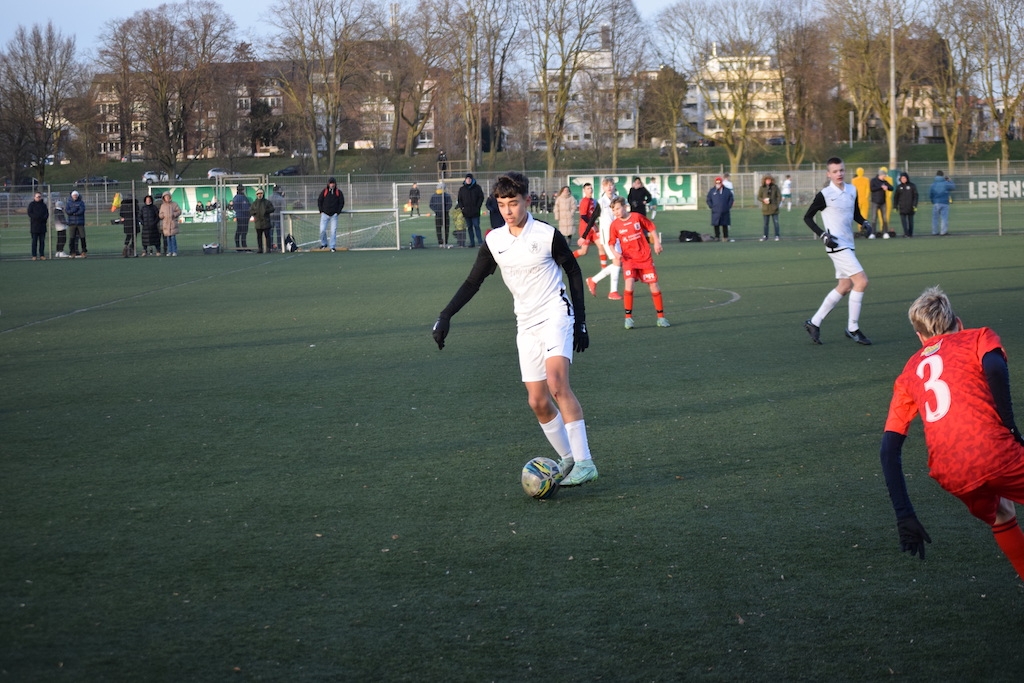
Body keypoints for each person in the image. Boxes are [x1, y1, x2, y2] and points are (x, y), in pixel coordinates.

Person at [431, 171, 598, 487]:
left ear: (527, 201)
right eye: (502, 204)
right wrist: (446, 315)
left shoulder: (546, 235)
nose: (508, 211)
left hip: (555, 313)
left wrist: (581, 322)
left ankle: (585, 463)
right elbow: (473, 282)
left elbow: (574, 272)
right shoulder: (495, 241)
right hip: (526, 323)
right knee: (537, 401)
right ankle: (568, 458)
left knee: (557, 383)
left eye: (514, 203)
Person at [879, 286, 1024, 580]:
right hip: (995, 452)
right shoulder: (978, 336)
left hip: (952, 472)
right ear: (959, 322)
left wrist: (905, 514)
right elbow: (995, 368)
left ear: (920, 337)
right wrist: (1012, 430)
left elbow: (888, 449)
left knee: (1002, 514)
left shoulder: (909, 371)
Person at [802, 157, 873, 345]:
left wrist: (864, 222)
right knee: (862, 281)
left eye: (841, 170)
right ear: (829, 174)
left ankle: (814, 322)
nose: (839, 174)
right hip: (836, 245)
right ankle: (853, 328)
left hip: (849, 244)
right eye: (835, 171)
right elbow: (807, 217)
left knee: (845, 285)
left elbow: (855, 213)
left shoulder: (852, 190)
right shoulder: (824, 195)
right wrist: (823, 235)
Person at [607, 196, 669, 329]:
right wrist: (615, 253)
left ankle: (661, 317)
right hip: (629, 259)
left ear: (625, 207)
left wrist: (657, 243)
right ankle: (628, 319)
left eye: (618, 209)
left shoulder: (636, 217)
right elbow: (611, 243)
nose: (616, 212)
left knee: (654, 285)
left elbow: (651, 227)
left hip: (645, 257)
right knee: (629, 284)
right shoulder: (615, 225)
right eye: (614, 210)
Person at [583, 177, 622, 300]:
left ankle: (593, 280)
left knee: (618, 262)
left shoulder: (618, 199)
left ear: (614, 186)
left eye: (611, 185)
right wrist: (584, 236)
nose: (609, 187)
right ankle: (613, 291)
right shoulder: (601, 202)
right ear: (603, 188)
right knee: (617, 261)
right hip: (607, 236)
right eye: (606, 185)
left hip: (619, 235)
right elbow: (592, 219)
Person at [571, 182, 602, 263]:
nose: (590, 190)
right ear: (584, 191)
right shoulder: (585, 201)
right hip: (585, 229)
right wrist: (591, 225)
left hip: (593, 228)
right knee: (584, 251)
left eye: (591, 188)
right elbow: (583, 216)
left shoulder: (593, 200)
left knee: (601, 246)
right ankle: (569, 258)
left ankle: (604, 267)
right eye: (588, 189)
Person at [457, 173, 486, 248]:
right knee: (469, 227)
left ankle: (480, 242)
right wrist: (462, 208)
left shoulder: (477, 188)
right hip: (466, 212)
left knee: (476, 226)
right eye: (467, 179)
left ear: (472, 179)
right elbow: (459, 199)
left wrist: (478, 206)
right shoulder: (462, 189)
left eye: (470, 179)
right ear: (465, 180)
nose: (468, 180)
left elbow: (481, 197)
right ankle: (472, 243)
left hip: (475, 211)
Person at [317, 177, 345, 252]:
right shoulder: (324, 191)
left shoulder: (338, 192)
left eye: (333, 183)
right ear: (328, 184)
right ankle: (324, 244)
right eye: (331, 183)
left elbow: (341, 202)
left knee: (333, 231)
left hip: (334, 216)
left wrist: (337, 212)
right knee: (322, 230)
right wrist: (321, 211)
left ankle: (332, 246)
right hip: (324, 215)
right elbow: (319, 200)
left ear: (335, 184)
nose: (332, 185)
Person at [706, 176, 734, 242]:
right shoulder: (712, 191)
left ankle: (725, 237)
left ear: (721, 183)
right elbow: (708, 199)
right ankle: (717, 236)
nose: (718, 184)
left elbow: (731, 199)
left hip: (725, 210)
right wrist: (711, 206)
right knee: (716, 224)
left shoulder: (727, 191)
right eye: (717, 183)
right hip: (715, 211)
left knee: (725, 224)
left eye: (719, 183)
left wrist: (728, 206)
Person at [868, 168, 893, 238]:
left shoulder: (885, 182)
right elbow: (872, 189)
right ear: (880, 175)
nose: (885, 177)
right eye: (884, 176)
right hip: (875, 202)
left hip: (883, 203)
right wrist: (881, 187)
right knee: (874, 218)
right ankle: (873, 233)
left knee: (884, 218)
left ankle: (885, 232)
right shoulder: (873, 180)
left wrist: (887, 187)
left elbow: (892, 188)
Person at [929, 170, 955, 236]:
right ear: (943, 175)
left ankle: (934, 232)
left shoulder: (933, 184)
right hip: (944, 203)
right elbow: (953, 187)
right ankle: (943, 232)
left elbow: (930, 194)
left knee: (935, 219)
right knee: (944, 218)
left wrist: (933, 201)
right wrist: (950, 180)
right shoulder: (946, 183)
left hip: (936, 203)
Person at [893, 172, 918, 238]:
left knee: (910, 221)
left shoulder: (912, 186)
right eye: (902, 178)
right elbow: (896, 197)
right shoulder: (899, 187)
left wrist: (915, 205)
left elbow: (915, 196)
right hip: (902, 207)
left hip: (910, 207)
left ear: (907, 178)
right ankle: (906, 233)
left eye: (904, 178)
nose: (903, 179)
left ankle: (910, 233)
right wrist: (895, 206)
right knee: (904, 222)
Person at [757, 174, 782, 241]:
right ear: (764, 181)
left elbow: (779, 196)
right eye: (767, 180)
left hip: (774, 208)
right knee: (765, 224)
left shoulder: (775, 187)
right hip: (765, 208)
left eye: (769, 180)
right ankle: (765, 236)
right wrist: (763, 200)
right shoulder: (762, 188)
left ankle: (777, 236)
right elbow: (759, 197)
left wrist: (777, 204)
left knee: (776, 223)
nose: (768, 181)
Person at [250, 188, 275, 254]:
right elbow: (251, 211)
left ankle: (268, 249)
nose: (259, 195)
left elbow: (272, 209)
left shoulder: (267, 202)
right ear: (256, 195)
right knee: (259, 237)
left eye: (261, 193)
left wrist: (266, 211)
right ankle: (260, 249)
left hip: (266, 222)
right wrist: (254, 213)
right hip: (258, 223)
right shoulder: (254, 203)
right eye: (258, 194)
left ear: (263, 194)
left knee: (267, 236)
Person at [159, 191, 182, 256]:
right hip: (166, 224)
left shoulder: (174, 204)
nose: (167, 198)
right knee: (168, 239)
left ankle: (174, 251)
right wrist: (162, 216)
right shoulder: (163, 206)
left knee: (173, 238)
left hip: (172, 223)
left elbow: (179, 211)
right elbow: (160, 214)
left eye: (168, 196)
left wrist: (174, 214)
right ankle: (169, 251)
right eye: (165, 197)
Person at [65, 189, 87, 258]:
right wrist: (74, 210)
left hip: (80, 222)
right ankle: (72, 252)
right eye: (74, 195)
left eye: (76, 195)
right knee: (72, 238)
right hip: (72, 223)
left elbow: (82, 210)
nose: (75, 196)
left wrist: (74, 213)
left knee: (82, 237)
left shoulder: (81, 202)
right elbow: (67, 211)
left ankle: (84, 251)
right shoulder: (68, 203)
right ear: (72, 196)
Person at [28, 191, 48, 260]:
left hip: (42, 226)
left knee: (42, 242)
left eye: (39, 197)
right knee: (34, 242)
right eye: (37, 197)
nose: (38, 198)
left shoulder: (44, 205)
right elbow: (30, 213)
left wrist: (43, 218)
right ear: (34, 197)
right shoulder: (31, 205)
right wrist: (36, 218)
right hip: (34, 226)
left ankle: (42, 255)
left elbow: (46, 214)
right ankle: (34, 255)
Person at [230, 185, 251, 250]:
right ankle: (244, 246)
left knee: (238, 231)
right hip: (244, 216)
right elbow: (245, 208)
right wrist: (250, 213)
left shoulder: (235, 197)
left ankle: (238, 246)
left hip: (238, 215)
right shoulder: (242, 197)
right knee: (244, 232)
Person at [270, 185, 286, 250]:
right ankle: (280, 246)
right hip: (278, 216)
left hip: (270, 216)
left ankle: (270, 246)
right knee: (279, 232)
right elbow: (283, 208)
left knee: (270, 232)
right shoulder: (281, 199)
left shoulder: (269, 198)